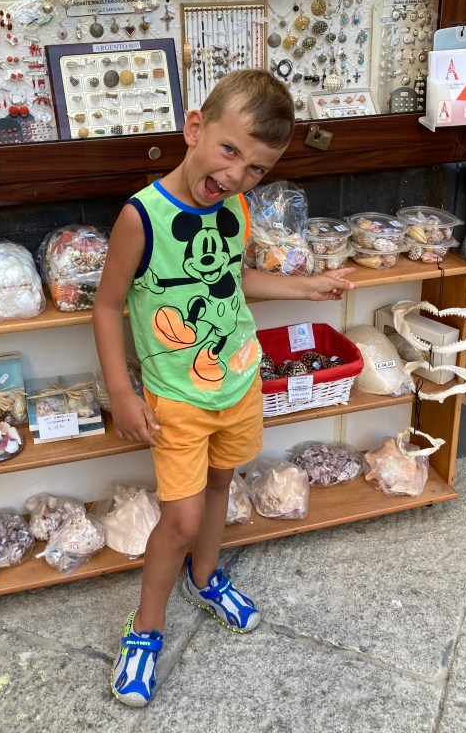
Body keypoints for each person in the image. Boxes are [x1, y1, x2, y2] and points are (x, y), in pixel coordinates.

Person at [93, 68, 355, 707]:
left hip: (238, 383)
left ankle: (205, 578)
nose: (237, 175)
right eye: (230, 150)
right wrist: (123, 393)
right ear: (195, 128)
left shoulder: (236, 209)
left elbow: (234, 282)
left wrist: (304, 287)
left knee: (220, 485)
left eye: (257, 168)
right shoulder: (141, 217)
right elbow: (107, 306)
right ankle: (145, 628)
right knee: (180, 518)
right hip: (177, 397)